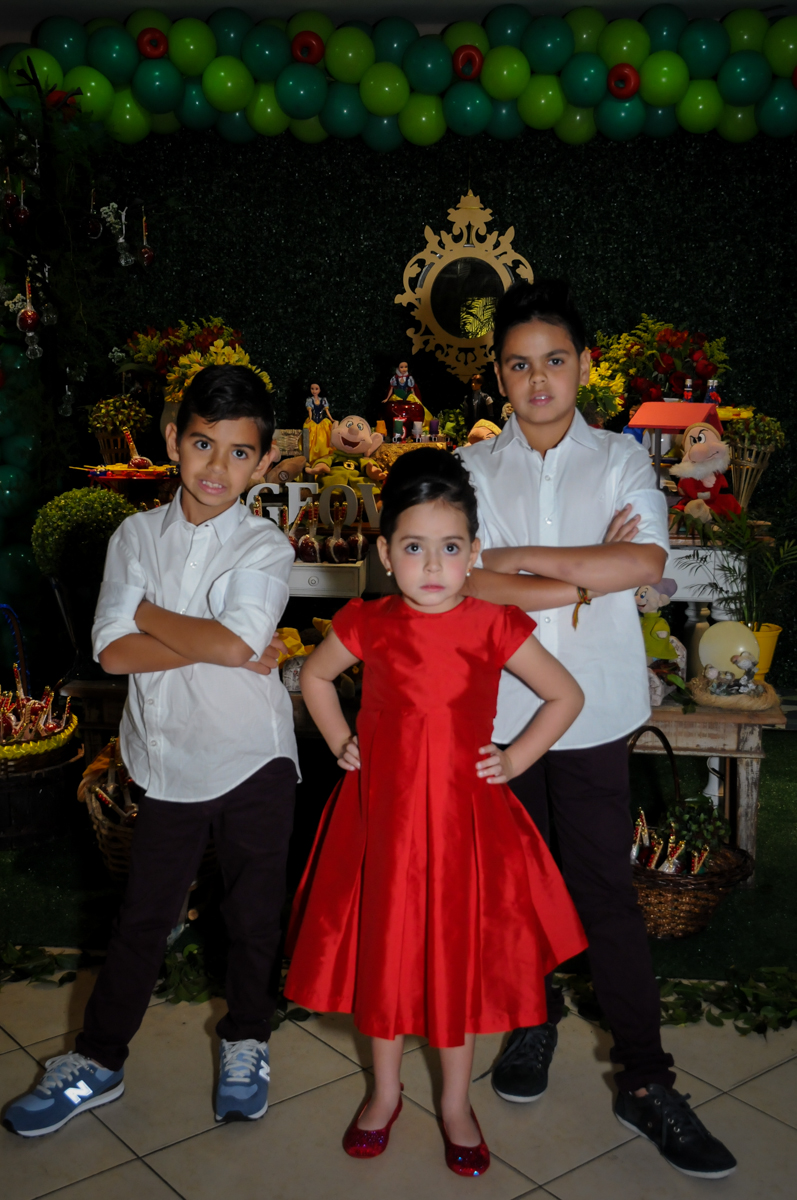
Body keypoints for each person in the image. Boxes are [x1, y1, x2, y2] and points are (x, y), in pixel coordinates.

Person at [458, 280, 737, 1180]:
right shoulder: (473, 472)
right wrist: (583, 579)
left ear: (582, 364)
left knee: (602, 895)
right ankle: (531, 1021)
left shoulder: (619, 459)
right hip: (499, 709)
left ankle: (646, 1080)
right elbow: (463, 580)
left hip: (595, 708)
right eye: (517, 363)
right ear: (495, 375)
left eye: (553, 360)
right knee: (516, 887)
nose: (536, 379)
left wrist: (518, 561)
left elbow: (644, 561)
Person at [5, 365, 298, 1137]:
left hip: (254, 757)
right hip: (167, 761)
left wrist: (145, 613)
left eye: (239, 453)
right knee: (142, 916)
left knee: (252, 916)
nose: (216, 468)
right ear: (173, 441)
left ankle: (246, 1041)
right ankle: (98, 1061)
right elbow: (111, 655)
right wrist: (214, 642)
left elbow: (233, 641)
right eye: (203, 444)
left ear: (263, 462)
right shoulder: (134, 536)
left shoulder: (265, 544)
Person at [284, 449, 587, 1176]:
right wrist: (340, 741)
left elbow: (565, 696)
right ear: (386, 553)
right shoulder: (369, 620)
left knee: (452, 961)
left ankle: (455, 1100)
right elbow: (316, 680)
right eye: (413, 548)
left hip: (461, 828)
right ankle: (384, 1093)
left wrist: (514, 759)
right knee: (385, 959)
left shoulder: (493, 623)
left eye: (449, 549)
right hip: (382, 821)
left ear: (473, 552)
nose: (431, 565)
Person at [303, 381, 333, 463]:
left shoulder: (323, 400)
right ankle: (311, 458)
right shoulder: (309, 400)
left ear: (320, 390)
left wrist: (331, 419)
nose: (314, 391)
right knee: (311, 438)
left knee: (325, 437)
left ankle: (324, 457)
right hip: (313, 421)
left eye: (316, 389)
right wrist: (310, 418)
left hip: (322, 421)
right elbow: (310, 411)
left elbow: (327, 411)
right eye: (312, 389)